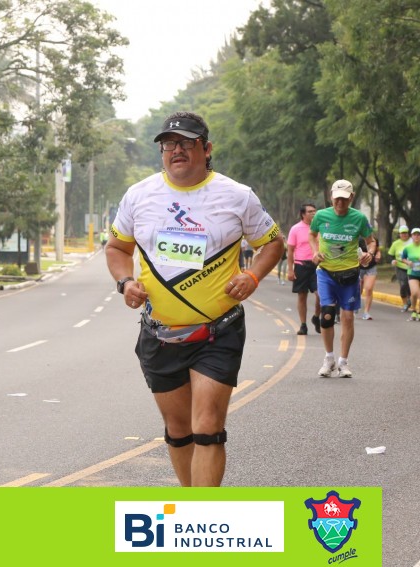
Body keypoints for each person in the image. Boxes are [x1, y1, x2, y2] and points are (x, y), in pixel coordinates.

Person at [105, 111, 284, 486]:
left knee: (207, 428)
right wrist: (125, 282)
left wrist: (252, 276)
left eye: (187, 142)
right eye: (169, 144)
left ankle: (202, 513)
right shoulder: (139, 195)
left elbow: (272, 243)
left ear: (207, 148)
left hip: (217, 333)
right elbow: (117, 248)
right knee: (179, 429)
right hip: (160, 335)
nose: (177, 150)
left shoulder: (237, 196)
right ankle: (191, 504)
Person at [309, 179, 376, 378]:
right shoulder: (321, 216)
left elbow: (371, 241)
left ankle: (343, 362)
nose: (340, 202)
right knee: (327, 315)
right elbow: (312, 235)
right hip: (326, 272)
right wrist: (315, 252)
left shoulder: (359, 218)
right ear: (331, 197)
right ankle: (329, 359)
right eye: (337, 198)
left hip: (350, 274)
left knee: (347, 317)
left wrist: (369, 253)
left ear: (351, 198)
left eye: (344, 199)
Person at [287, 203, 320, 335]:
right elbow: (290, 251)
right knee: (302, 296)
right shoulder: (295, 229)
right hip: (301, 265)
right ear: (303, 214)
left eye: (314, 211)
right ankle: (303, 325)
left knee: (321, 295)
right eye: (310, 211)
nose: (313, 213)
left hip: (317, 266)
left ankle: (316, 317)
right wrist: (290, 270)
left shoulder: (320, 228)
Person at [401, 228, 420, 321]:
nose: (416, 236)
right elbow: (403, 258)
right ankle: (414, 310)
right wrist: (408, 262)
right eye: (414, 235)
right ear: (412, 236)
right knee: (414, 293)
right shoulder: (408, 248)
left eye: (418, 235)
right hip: (412, 273)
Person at [388, 225, 412, 312]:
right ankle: (405, 303)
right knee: (403, 284)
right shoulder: (396, 243)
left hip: (412, 267)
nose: (404, 235)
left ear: (408, 233)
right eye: (402, 233)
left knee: (411, 285)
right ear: (399, 234)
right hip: (400, 267)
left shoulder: (412, 241)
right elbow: (390, 255)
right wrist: (392, 260)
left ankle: (409, 298)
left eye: (405, 233)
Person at [358, 235, 380, 320]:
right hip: (358, 267)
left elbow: (377, 249)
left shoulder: (374, 238)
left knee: (369, 288)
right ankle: (355, 305)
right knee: (358, 289)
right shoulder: (358, 238)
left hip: (371, 267)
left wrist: (378, 253)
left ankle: (366, 312)